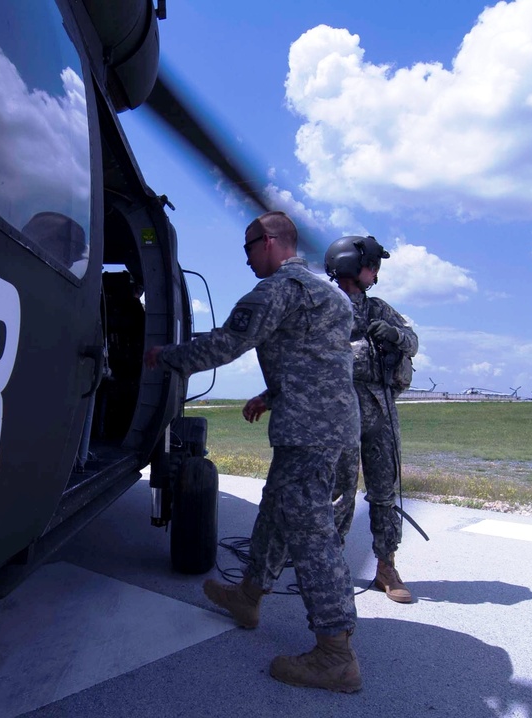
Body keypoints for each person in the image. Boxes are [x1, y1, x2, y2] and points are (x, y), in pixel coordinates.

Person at [144, 211, 362, 694]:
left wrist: (167, 356)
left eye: (247, 249)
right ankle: (248, 595)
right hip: (334, 428)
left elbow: (226, 344)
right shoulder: (332, 295)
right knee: (275, 514)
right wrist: (270, 395)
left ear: (268, 241)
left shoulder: (279, 289)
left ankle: (335, 654)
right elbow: (316, 362)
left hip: (307, 433)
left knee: (311, 535)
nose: (244, 260)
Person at [324, 235, 419, 604]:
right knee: (337, 493)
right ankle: (329, 568)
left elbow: (412, 341)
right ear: (351, 264)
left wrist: (395, 334)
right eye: (372, 265)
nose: (376, 272)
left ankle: (386, 567)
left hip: (380, 409)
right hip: (339, 411)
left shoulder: (378, 308)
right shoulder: (325, 305)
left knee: (383, 492)